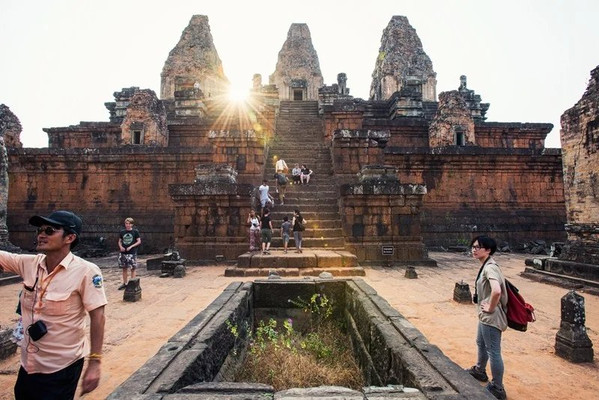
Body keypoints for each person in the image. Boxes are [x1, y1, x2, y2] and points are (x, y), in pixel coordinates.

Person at [0, 210, 107, 399]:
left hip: (61, 367)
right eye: (39, 231)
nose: (41, 235)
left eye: (49, 231)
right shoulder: (29, 264)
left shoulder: (86, 271)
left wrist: (95, 362)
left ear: (70, 237)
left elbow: (98, 316)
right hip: (29, 364)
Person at [465, 235, 508, 400]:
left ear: (488, 250)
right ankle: (479, 370)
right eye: (473, 247)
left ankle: (498, 387)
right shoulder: (486, 265)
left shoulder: (490, 267)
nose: (474, 250)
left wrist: (490, 307)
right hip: (485, 315)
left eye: (478, 247)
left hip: (491, 316)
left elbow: (496, 290)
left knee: (493, 351)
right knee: (481, 343)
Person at [117, 217, 142, 290]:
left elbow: (139, 241)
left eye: (129, 224)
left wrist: (131, 246)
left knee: (133, 268)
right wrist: (120, 246)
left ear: (132, 224)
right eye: (126, 223)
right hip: (123, 252)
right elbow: (119, 241)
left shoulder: (135, 232)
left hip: (131, 252)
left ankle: (132, 283)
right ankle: (125, 283)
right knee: (124, 268)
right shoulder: (122, 232)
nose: (127, 225)